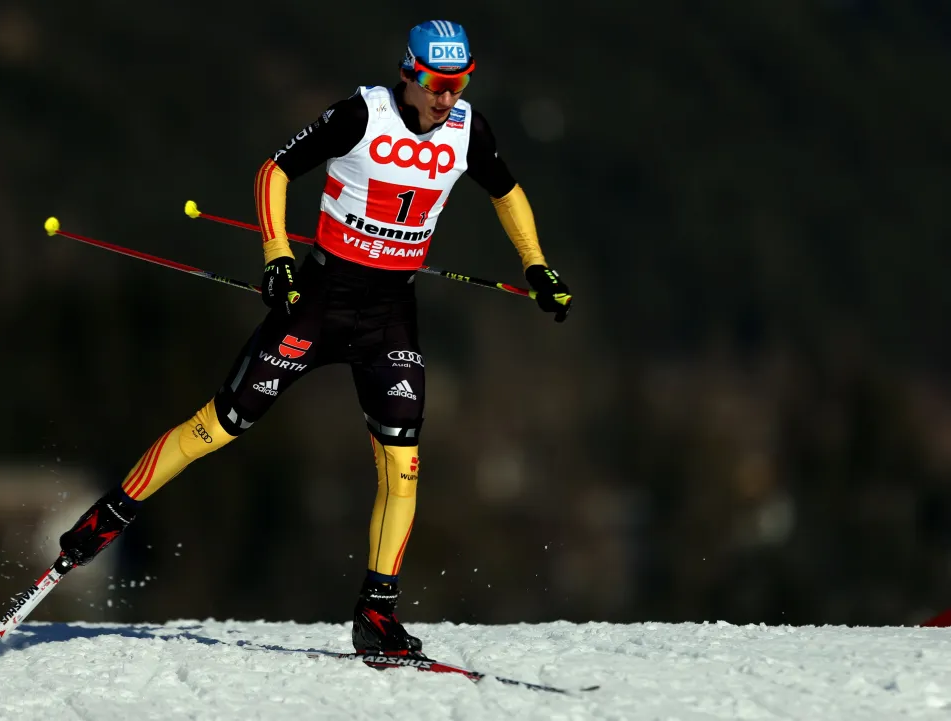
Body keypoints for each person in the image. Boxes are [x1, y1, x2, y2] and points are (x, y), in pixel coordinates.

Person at [55, 19, 572, 657]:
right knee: (222, 424)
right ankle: (114, 512)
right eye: (438, 83)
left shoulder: (469, 128)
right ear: (410, 73)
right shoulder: (361, 114)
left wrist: (536, 266)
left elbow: (507, 191)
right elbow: (275, 171)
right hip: (319, 303)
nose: (447, 97)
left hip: (389, 318)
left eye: (459, 83)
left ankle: (376, 611)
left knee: (402, 463)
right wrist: (276, 254)